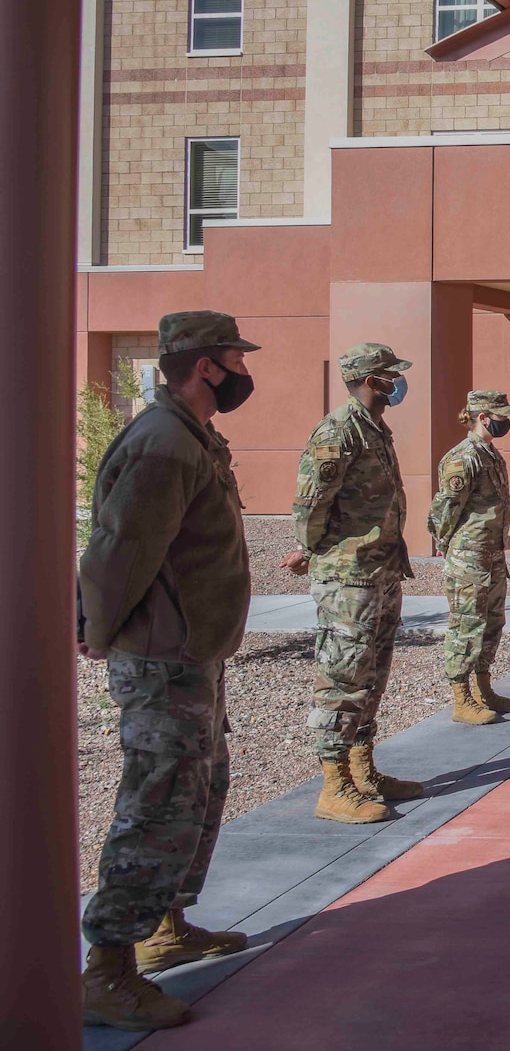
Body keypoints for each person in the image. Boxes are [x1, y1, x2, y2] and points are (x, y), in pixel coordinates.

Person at [75, 312, 260, 1030]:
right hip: (162, 658)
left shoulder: (189, 436)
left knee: (198, 788)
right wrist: (98, 625)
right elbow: (121, 549)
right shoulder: (162, 444)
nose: (244, 371)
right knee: (157, 802)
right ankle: (109, 968)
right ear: (205, 366)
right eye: (234, 358)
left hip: (192, 654)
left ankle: (163, 924)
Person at [281, 343, 423, 824]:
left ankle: (363, 769)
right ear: (370, 380)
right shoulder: (338, 430)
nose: (397, 384)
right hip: (349, 575)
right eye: (390, 377)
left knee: (372, 672)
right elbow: (311, 501)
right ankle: (333, 783)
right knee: (342, 676)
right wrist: (312, 549)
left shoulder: (375, 429)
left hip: (380, 567)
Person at [428, 390, 510, 724]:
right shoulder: (463, 457)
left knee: (492, 621)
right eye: (499, 417)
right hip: (469, 555)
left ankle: (485, 690)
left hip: (492, 553)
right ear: (483, 417)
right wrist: (442, 541)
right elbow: (445, 508)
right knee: (466, 625)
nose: (505, 422)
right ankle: (461, 699)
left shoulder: (490, 455)